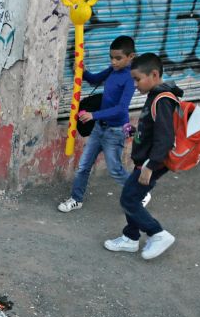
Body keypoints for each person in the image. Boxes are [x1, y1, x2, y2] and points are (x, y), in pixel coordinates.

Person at [58, 36, 148, 213]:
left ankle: (140, 193)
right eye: (111, 57)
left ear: (131, 57)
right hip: (99, 127)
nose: (113, 62)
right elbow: (94, 79)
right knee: (83, 166)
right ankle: (76, 199)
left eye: (118, 58)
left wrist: (93, 115)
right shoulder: (113, 70)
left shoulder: (130, 79)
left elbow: (121, 108)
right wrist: (82, 71)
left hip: (115, 131)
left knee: (115, 170)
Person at [104, 53, 180, 260]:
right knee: (133, 197)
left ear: (154, 74)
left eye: (138, 79)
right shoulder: (156, 96)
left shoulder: (162, 100)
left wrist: (149, 166)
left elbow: (164, 139)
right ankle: (130, 238)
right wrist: (135, 131)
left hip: (150, 163)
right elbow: (153, 131)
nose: (135, 85)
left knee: (129, 199)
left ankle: (157, 233)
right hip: (147, 160)